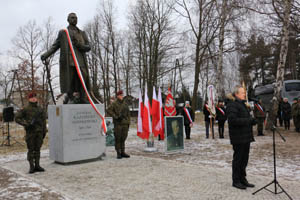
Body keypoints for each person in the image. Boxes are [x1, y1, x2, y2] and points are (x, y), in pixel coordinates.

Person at [41, 13, 91, 104]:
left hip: (80, 61)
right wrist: (46, 54)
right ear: (68, 20)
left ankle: (82, 97)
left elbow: (88, 47)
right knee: (69, 80)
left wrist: (80, 45)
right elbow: (55, 45)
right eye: (72, 18)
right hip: (69, 61)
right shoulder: (64, 33)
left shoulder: (82, 33)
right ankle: (71, 97)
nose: (74, 19)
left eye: (76, 18)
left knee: (83, 78)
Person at [226, 86, 256, 190]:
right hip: (238, 137)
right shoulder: (232, 105)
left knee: (244, 159)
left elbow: (245, 118)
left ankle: (243, 178)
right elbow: (233, 120)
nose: (245, 94)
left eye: (245, 92)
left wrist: (252, 120)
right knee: (238, 159)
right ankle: (236, 180)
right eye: (243, 93)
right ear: (237, 94)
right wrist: (248, 121)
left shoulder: (243, 104)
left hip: (246, 136)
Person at [15, 92, 47, 174]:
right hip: (30, 133)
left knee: (38, 149)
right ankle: (31, 167)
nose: (34, 98)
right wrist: (26, 124)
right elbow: (17, 118)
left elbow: (43, 121)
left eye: (35, 97)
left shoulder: (40, 109)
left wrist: (44, 131)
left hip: (39, 132)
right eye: (32, 97)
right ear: (29, 99)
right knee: (31, 150)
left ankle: (37, 165)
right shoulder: (25, 109)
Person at [107, 90, 130, 159]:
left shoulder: (125, 104)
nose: (122, 96)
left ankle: (123, 152)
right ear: (117, 96)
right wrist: (115, 117)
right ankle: (118, 152)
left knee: (123, 138)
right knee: (118, 138)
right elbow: (108, 110)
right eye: (120, 95)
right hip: (118, 124)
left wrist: (128, 122)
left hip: (125, 123)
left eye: (122, 95)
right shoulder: (114, 103)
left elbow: (128, 113)